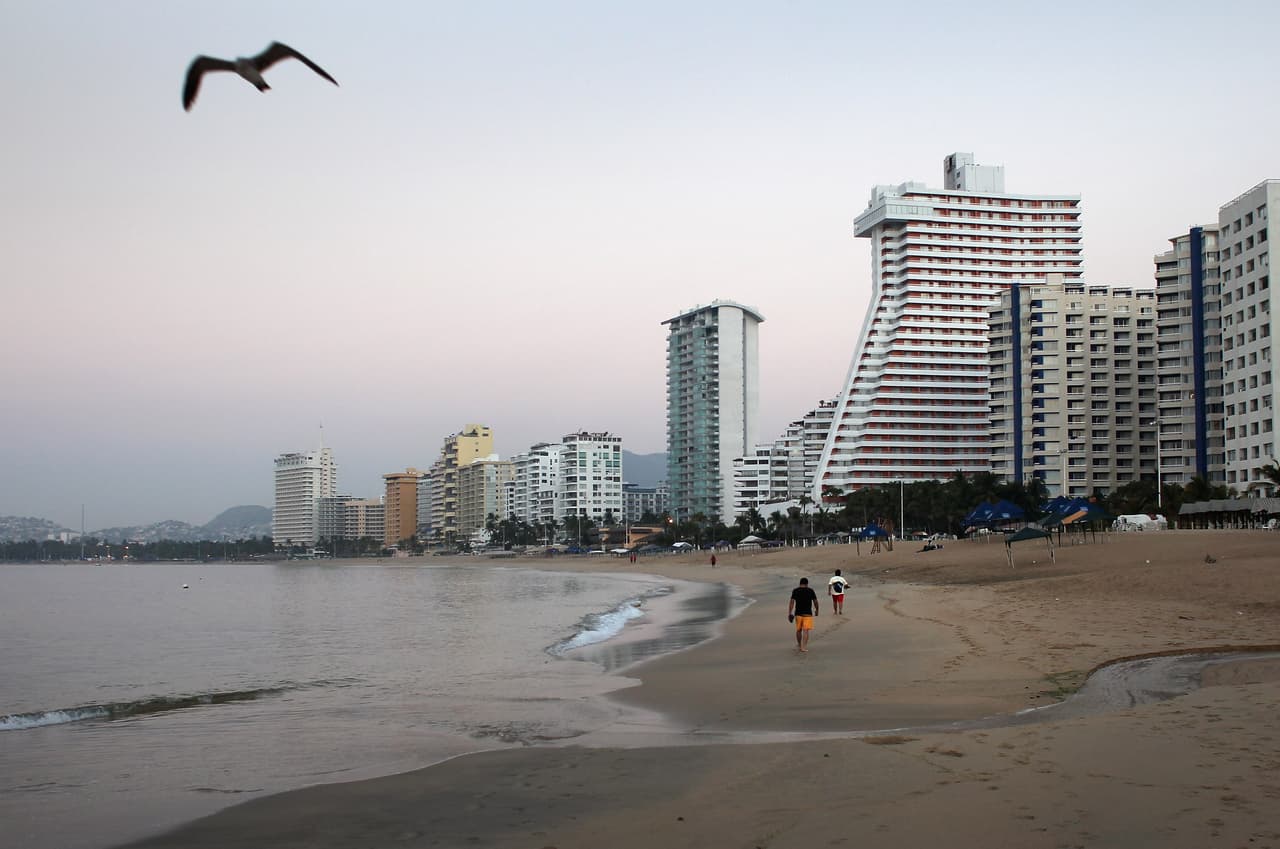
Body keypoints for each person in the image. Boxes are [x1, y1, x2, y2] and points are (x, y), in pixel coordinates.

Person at [788, 577, 819, 652]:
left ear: (800, 583)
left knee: (798, 630)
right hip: (808, 614)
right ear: (807, 584)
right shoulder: (810, 590)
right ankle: (803, 647)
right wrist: (817, 610)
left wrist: (790, 612)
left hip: (798, 613)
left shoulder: (795, 590)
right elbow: (815, 601)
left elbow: (792, 602)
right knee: (806, 631)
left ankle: (799, 644)